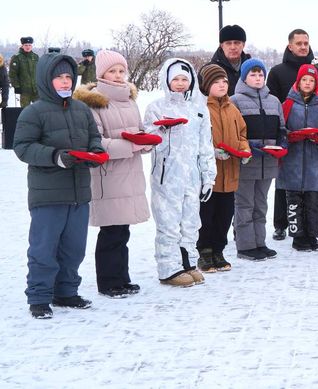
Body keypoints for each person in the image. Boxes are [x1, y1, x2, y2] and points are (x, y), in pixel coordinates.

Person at [13, 53, 104, 318]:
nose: (65, 83)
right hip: (48, 195)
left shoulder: (81, 109)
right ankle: (40, 297)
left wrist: (95, 152)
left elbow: (93, 138)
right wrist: (55, 157)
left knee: (74, 248)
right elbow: (23, 147)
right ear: (46, 79)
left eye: (68, 77)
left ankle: (66, 292)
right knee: (44, 248)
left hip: (79, 193)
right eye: (59, 78)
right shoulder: (34, 112)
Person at [72, 50, 151, 298]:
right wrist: (132, 146)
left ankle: (122, 278)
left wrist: (146, 141)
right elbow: (95, 142)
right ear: (101, 73)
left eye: (121, 71)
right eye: (112, 71)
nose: (118, 76)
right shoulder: (94, 102)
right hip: (108, 176)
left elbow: (138, 131)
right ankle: (108, 282)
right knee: (111, 232)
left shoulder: (130, 100)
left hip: (130, 174)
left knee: (123, 231)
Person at [143, 58, 216, 287]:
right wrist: (163, 127)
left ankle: (188, 264)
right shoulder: (156, 107)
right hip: (167, 176)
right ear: (167, 80)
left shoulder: (199, 109)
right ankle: (169, 268)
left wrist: (208, 177)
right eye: (175, 79)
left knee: (191, 222)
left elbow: (206, 145)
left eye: (185, 79)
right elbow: (148, 136)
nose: (180, 83)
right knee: (168, 223)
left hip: (192, 177)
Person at [267, 29, 318, 241]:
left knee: (311, 188)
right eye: (299, 43)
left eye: (306, 43)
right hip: (289, 139)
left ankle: (311, 226)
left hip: (312, 142)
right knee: (285, 183)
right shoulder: (277, 72)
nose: (303, 47)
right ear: (290, 46)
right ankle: (281, 224)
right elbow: (273, 107)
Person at [197, 63, 251, 271]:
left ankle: (219, 251)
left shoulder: (233, 109)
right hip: (209, 177)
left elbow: (242, 135)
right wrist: (212, 152)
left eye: (225, 81)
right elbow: (195, 140)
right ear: (206, 85)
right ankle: (205, 252)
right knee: (206, 216)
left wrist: (244, 150)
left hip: (230, 173)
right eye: (216, 82)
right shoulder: (200, 109)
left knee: (224, 216)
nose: (222, 85)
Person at [230, 59, 285, 261]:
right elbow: (234, 133)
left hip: (268, 162)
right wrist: (250, 147)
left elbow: (281, 129)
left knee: (260, 205)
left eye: (260, 74)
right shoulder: (234, 101)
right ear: (244, 78)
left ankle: (259, 243)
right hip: (246, 162)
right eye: (253, 75)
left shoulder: (274, 101)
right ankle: (245, 246)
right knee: (244, 205)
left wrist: (282, 145)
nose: (257, 78)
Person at [278, 64, 318, 251]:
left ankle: (312, 235)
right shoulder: (287, 104)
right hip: (292, 162)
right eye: (304, 80)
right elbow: (280, 131)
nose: (308, 83)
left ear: (316, 83)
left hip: (314, 163)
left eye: (311, 80)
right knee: (294, 201)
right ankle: (298, 237)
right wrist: (290, 136)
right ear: (298, 81)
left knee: (313, 201)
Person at [210, 24, 252, 96]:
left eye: (237, 43)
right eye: (228, 43)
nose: (233, 47)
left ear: (243, 45)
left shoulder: (252, 68)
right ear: (222, 45)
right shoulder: (210, 70)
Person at [9, 36, 39, 107]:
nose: (28, 47)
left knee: (39, 110)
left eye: (29, 45)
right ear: (22, 46)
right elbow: (13, 74)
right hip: (24, 91)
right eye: (26, 45)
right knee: (25, 111)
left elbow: (39, 71)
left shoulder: (35, 57)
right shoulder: (17, 57)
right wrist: (16, 86)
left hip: (36, 90)